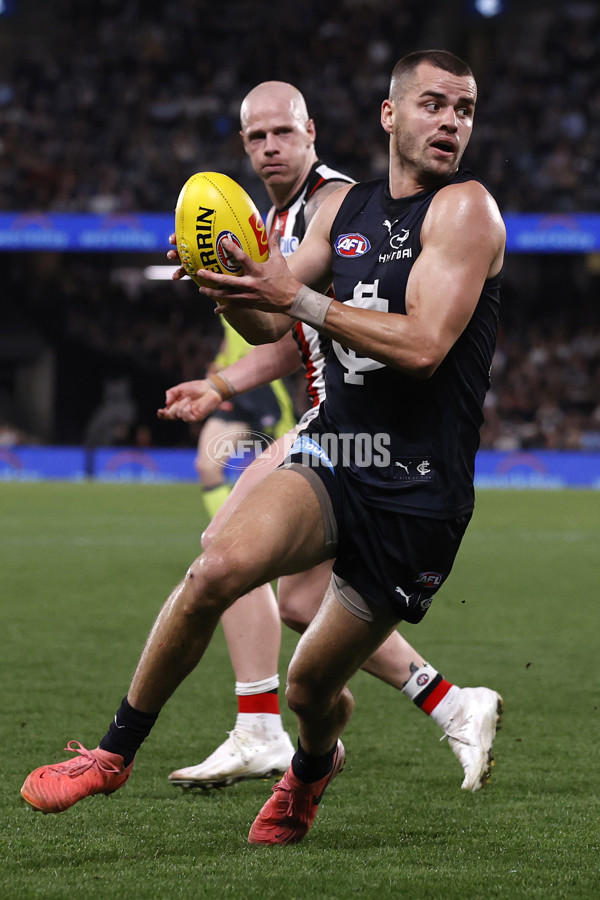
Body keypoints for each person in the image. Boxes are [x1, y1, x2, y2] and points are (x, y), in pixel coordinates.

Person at [21, 51, 506, 846]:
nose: (451, 122)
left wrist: (293, 294)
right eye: (433, 104)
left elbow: (422, 345)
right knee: (215, 565)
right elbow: (274, 323)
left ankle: (311, 768)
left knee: (312, 690)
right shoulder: (342, 212)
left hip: (417, 488)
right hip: (337, 451)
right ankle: (111, 754)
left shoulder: (466, 211)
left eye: (464, 109)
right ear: (391, 115)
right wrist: (224, 280)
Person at [160, 80, 502, 793]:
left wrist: (231, 382)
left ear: (310, 130)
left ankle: (259, 728)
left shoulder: (337, 206)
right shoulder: (279, 215)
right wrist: (219, 376)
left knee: (223, 549)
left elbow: (309, 325)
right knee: (295, 604)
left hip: (341, 429)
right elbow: (283, 324)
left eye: (282, 133)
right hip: (334, 433)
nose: (269, 149)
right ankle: (452, 704)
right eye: (256, 138)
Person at [195, 316, 295, 521]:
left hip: (268, 386)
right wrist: (218, 365)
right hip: (233, 385)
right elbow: (230, 336)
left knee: (289, 472)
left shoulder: (264, 284)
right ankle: (229, 534)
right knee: (207, 466)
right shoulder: (223, 292)